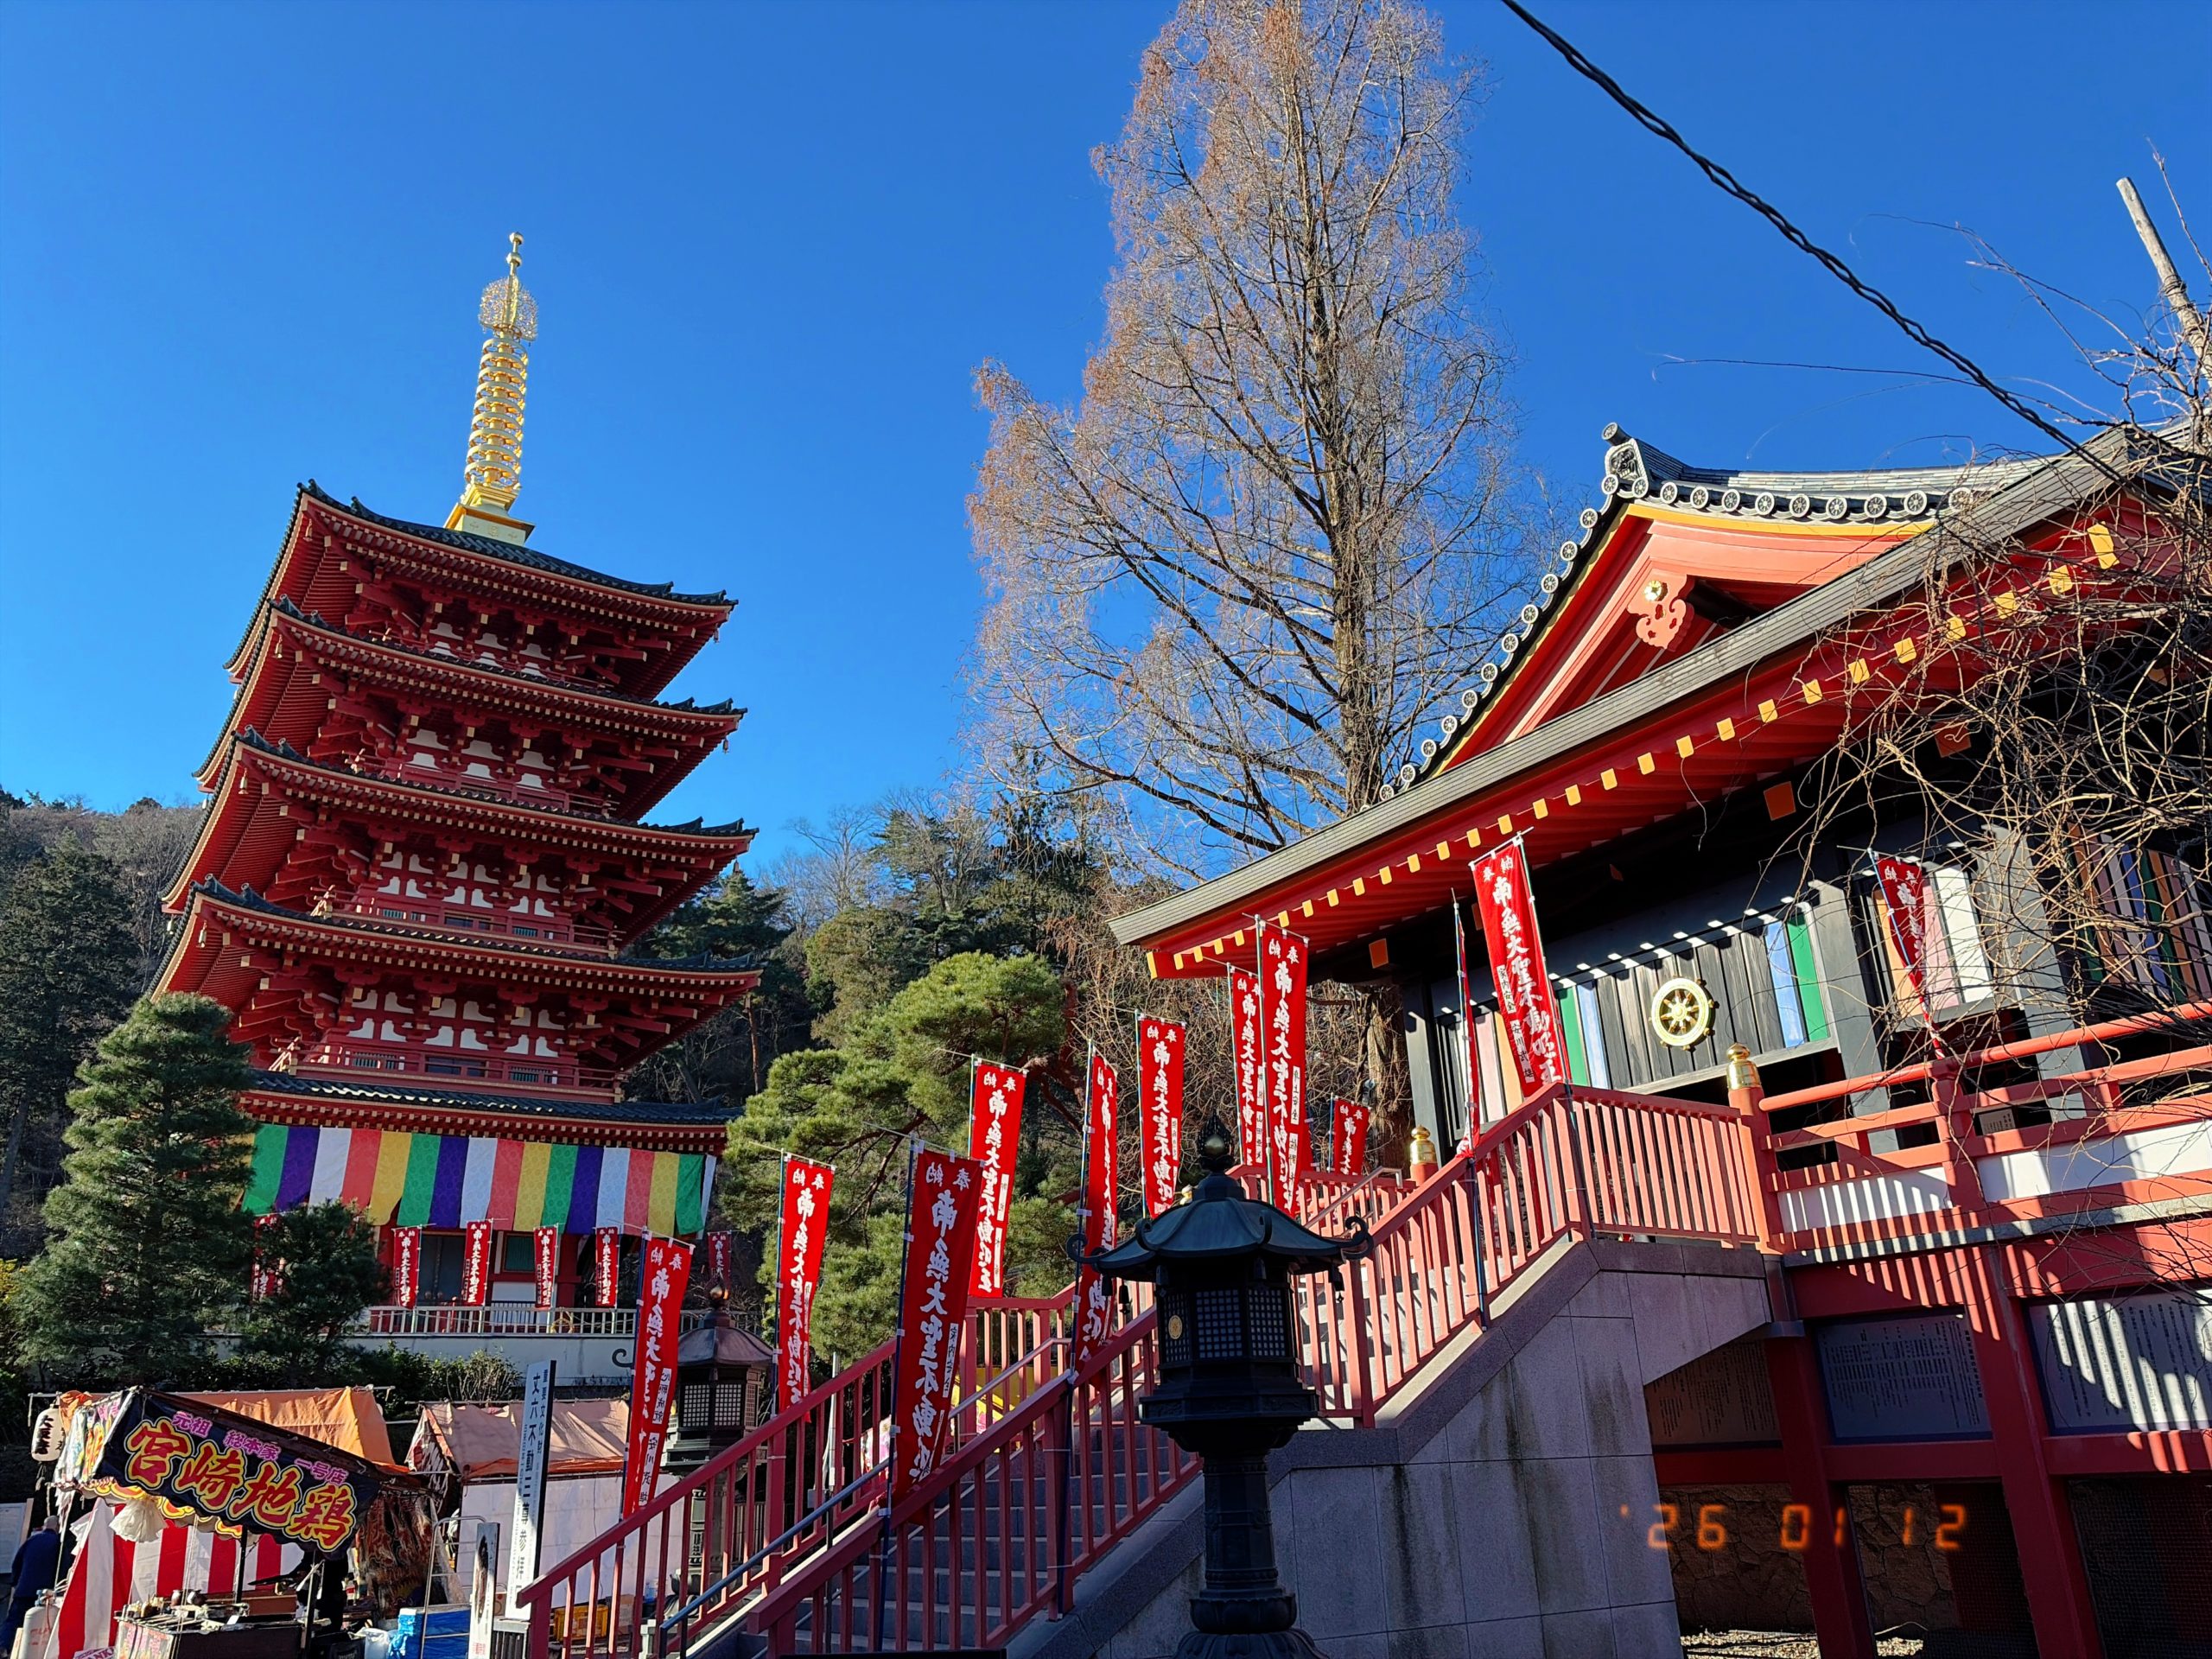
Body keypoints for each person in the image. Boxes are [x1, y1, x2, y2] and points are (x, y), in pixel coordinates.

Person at [2, 1516, 61, 1659]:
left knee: (13, 1621)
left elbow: (17, 1563)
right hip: (44, 1593)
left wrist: (15, 1583)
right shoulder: (59, 1542)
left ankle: (3, 1647)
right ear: (57, 1527)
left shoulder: (31, 1541)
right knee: (38, 1624)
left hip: (24, 1589)